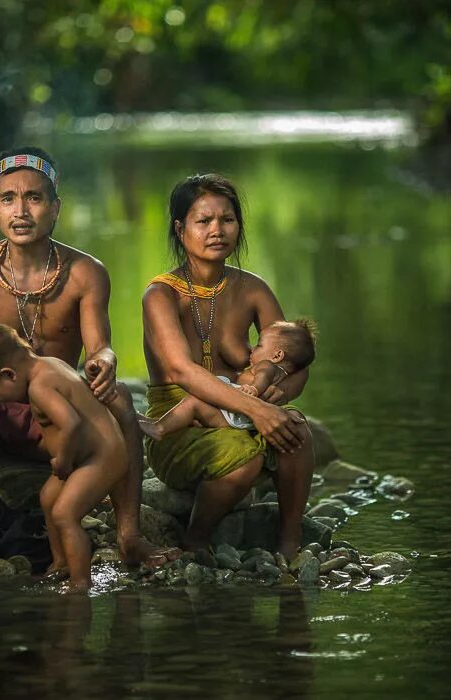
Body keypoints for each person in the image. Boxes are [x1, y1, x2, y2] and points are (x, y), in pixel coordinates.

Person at [0, 146, 175, 569]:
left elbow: (99, 345)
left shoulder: (85, 272)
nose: (21, 211)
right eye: (9, 198)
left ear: (55, 207)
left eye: (34, 198)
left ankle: (130, 536)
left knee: (120, 397)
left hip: (53, 419)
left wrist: (103, 362)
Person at [142, 173, 315, 559]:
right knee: (244, 457)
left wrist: (278, 394)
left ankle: (290, 541)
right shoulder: (160, 295)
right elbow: (183, 372)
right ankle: (196, 539)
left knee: (298, 431)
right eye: (203, 221)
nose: (217, 230)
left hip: (242, 414)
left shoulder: (253, 288)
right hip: (181, 422)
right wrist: (258, 409)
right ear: (180, 228)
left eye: (227, 220)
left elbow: (296, 360)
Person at [0, 324, 127, 591]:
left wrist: (63, 459)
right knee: (48, 497)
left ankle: (80, 582)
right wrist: (0, 396)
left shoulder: (39, 387)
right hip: (94, 451)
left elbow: (70, 423)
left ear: (9, 374)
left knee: (64, 513)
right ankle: (60, 562)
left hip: (102, 456)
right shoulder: (49, 366)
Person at [140, 318, 317, 440]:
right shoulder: (279, 371)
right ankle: (159, 423)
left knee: (194, 402)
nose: (252, 349)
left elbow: (263, 378)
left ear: (277, 355)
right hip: (242, 416)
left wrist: (254, 389)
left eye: (259, 344)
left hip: (239, 412)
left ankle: (159, 428)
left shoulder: (267, 366)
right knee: (199, 407)